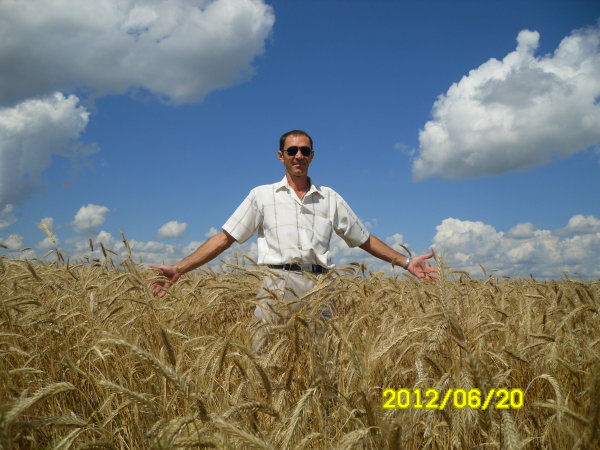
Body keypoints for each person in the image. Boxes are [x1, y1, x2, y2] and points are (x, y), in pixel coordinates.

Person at [151, 130, 438, 348]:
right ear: (281, 156)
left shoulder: (330, 198)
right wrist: (179, 268)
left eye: (304, 150)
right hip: (276, 284)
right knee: (264, 355)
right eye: (292, 150)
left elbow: (363, 238)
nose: (298, 155)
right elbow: (225, 238)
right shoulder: (261, 196)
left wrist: (406, 262)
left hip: (320, 286)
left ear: (312, 156)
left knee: (323, 358)